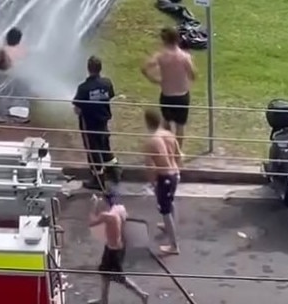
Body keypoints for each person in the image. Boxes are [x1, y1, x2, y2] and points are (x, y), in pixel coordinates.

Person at [88, 192, 149, 304]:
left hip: (113, 251)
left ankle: (142, 294)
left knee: (120, 278)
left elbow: (91, 222)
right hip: (117, 247)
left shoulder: (107, 216)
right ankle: (104, 299)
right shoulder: (120, 209)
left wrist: (95, 204)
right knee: (104, 273)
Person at [141, 26, 196, 149]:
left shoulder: (160, 56)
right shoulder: (185, 57)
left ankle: (168, 148)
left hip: (166, 95)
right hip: (182, 95)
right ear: (177, 39)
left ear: (164, 40)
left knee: (166, 123)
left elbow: (144, 68)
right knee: (180, 126)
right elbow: (193, 75)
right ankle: (178, 151)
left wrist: (155, 80)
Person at [73, 56, 122, 190]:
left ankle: (98, 180)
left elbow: (77, 109)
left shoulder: (83, 88)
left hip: (89, 124)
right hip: (103, 121)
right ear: (100, 68)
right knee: (105, 146)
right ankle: (115, 170)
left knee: (93, 151)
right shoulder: (107, 83)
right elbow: (110, 96)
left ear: (88, 69)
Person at [142, 108, 182, 255]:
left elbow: (149, 166)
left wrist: (153, 183)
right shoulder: (169, 135)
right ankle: (170, 226)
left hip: (164, 176)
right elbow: (178, 155)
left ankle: (174, 246)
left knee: (164, 209)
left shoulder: (150, 142)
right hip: (175, 173)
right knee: (170, 202)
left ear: (147, 122)